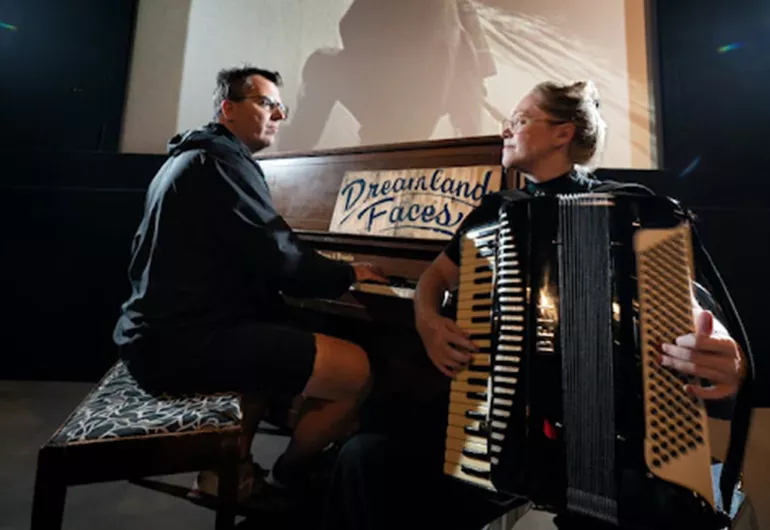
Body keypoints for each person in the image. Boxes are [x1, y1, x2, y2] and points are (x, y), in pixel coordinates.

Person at [319, 80, 749, 530]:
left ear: (563, 133)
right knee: (365, 456)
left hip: (611, 447)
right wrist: (427, 321)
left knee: (663, 509)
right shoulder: (496, 209)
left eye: (519, 120)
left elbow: (694, 307)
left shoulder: (636, 210)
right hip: (493, 427)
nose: (505, 130)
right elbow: (435, 277)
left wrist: (724, 357)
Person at [112, 65, 388, 500]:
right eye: (266, 103)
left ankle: (225, 475)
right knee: (354, 370)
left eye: (282, 106)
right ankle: (289, 477)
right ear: (228, 109)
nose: (278, 115)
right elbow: (280, 256)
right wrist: (347, 272)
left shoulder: (197, 156)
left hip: (157, 333)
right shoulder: (217, 163)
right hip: (178, 344)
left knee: (273, 337)